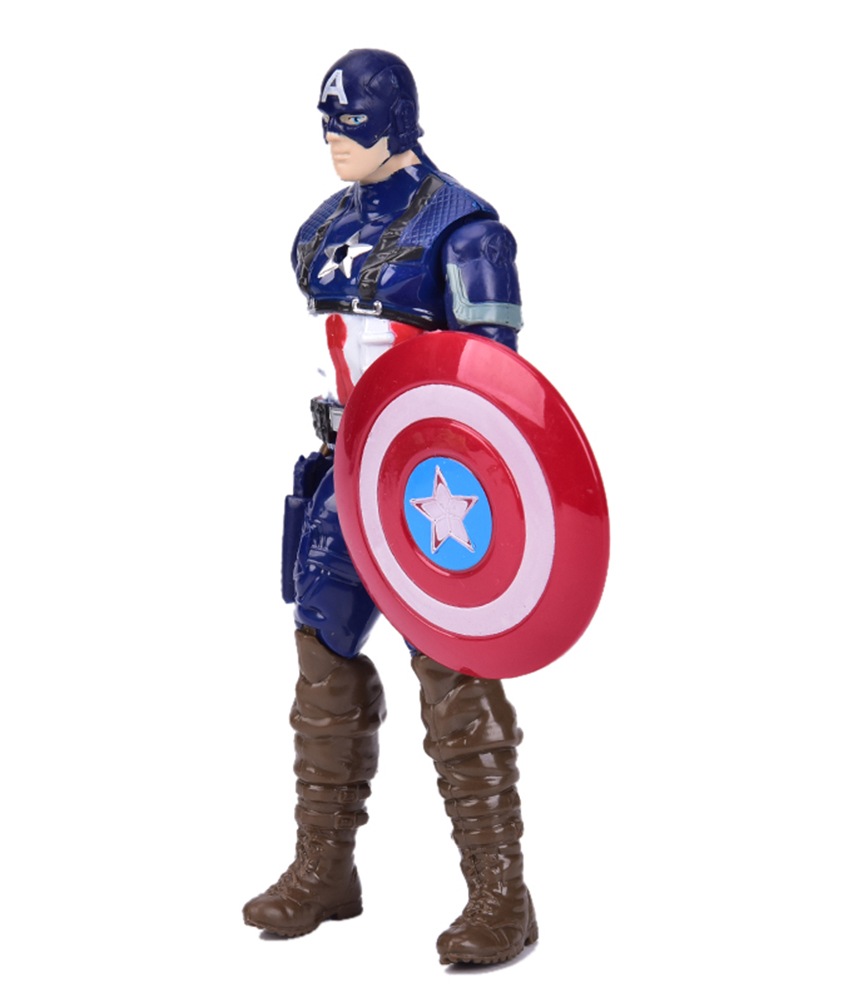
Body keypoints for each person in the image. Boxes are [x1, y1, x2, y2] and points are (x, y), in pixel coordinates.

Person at [242, 49, 537, 966]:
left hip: (434, 485)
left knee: (452, 665)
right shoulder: (321, 231)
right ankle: (324, 870)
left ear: (394, 121)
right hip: (347, 468)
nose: (335, 137)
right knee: (321, 656)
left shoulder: (466, 233)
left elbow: (494, 382)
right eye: (327, 121)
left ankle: (501, 893)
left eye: (352, 121)